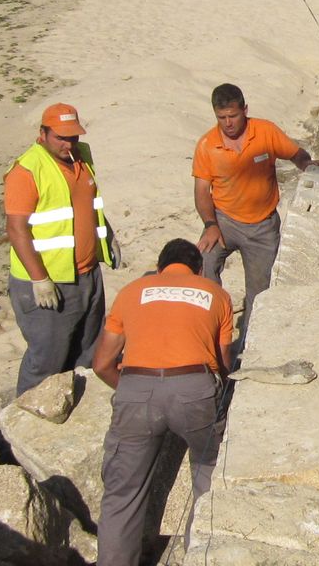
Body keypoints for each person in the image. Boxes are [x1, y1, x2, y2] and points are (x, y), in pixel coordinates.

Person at [93, 238, 233, 566]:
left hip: (136, 389)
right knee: (207, 473)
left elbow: (101, 364)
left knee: (122, 494)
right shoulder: (216, 295)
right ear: (198, 270)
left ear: (159, 269)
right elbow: (223, 364)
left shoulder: (132, 291)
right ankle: (199, 555)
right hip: (194, 388)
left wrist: (132, 388)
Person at [4, 103, 116, 396]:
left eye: (73, 137)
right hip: (50, 282)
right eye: (60, 137)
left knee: (86, 353)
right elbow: (16, 229)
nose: (68, 143)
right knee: (47, 361)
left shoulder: (82, 156)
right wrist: (40, 279)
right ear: (43, 133)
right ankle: (25, 424)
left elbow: (87, 203)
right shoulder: (28, 170)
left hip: (88, 275)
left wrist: (107, 234)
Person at [192, 83, 319, 326]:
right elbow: (201, 192)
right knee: (204, 265)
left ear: (245, 110)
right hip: (224, 220)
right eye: (222, 118)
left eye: (233, 116)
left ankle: (247, 345)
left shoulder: (265, 131)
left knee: (260, 293)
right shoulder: (206, 145)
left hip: (262, 226)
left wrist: (308, 165)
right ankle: (210, 326)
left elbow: (296, 154)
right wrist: (210, 224)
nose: (228, 123)